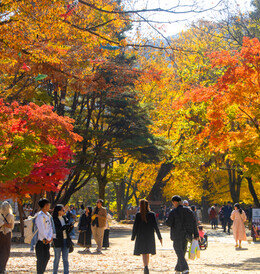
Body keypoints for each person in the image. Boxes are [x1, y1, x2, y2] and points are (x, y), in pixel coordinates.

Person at [166, 195, 199, 274]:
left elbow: (169, 223)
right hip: (187, 234)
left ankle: (185, 269)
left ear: (175, 202)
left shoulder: (173, 212)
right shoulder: (189, 211)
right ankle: (178, 269)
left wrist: (166, 220)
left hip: (177, 234)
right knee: (182, 251)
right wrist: (196, 234)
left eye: (173, 202)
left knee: (179, 252)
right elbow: (194, 222)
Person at [131, 199, 162, 274]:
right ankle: (146, 265)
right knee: (147, 251)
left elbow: (135, 226)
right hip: (149, 235)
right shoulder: (152, 214)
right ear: (148, 205)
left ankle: (145, 266)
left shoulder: (138, 215)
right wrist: (159, 237)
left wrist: (133, 236)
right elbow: (155, 226)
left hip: (141, 235)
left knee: (143, 252)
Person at [53, 204, 73, 274]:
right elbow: (56, 230)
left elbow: (67, 231)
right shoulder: (54, 219)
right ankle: (54, 272)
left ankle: (66, 272)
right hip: (58, 240)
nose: (64, 211)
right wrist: (64, 227)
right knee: (57, 259)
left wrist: (70, 227)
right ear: (58, 211)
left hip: (66, 239)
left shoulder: (64, 218)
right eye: (62, 210)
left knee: (65, 259)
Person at [35, 198, 54, 274]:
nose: (49, 206)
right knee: (40, 259)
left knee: (46, 257)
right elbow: (41, 229)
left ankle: (41, 272)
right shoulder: (40, 216)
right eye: (48, 205)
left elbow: (50, 227)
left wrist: (50, 237)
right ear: (45, 205)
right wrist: (46, 237)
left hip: (47, 241)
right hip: (41, 241)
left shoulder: (48, 215)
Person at [0, 201, 15, 274]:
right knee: (6, 251)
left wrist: (3, 224)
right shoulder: (11, 216)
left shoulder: (0, 215)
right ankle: (3, 267)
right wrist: (6, 224)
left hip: (0, 234)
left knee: (1, 250)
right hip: (7, 234)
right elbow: (11, 226)